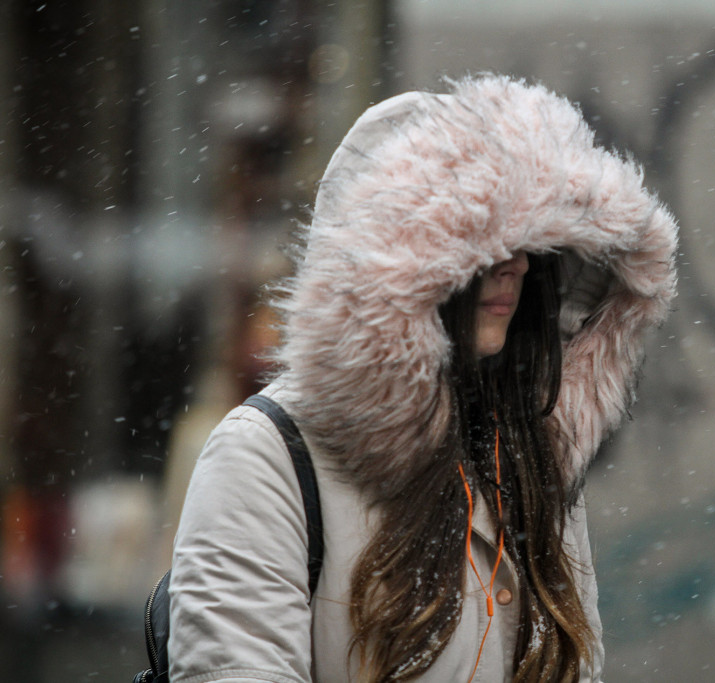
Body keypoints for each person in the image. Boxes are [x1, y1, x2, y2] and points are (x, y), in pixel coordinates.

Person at [168, 74, 677, 683]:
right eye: (473, 235)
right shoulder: (265, 457)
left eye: (525, 235)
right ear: (396, 269)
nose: (512, 261)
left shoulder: (527, 456)